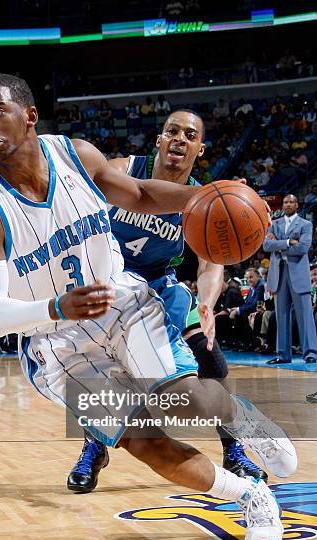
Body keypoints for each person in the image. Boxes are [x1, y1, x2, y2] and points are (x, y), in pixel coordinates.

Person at [0, 73, 297, 540]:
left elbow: (139, 195)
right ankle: (250, 493)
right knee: (144, 440)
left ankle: (248, 423)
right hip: (56, 344)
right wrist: (55, 306)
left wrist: (203, 196)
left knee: (185, 397)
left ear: (29, 116)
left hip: (121, 300)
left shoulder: (77, 155)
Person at [68, 110, 266, 494]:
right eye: (172, 131)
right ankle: (94, 445)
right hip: (108, 288)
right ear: (159, 139)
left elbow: (211, 265)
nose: (179, 138)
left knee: (212, 360)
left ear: (200, 149)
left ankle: (234, 448)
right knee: (97, 373)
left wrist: (207, 303)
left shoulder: (202, 199)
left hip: (160, 288)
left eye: (189, 135)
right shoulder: (125, 168)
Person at [263, 194, 317, 364]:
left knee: (305, 316)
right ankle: (282, 354)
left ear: (297, 205)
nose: (288, 204)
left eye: (292, 201)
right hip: (279, 274)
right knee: (281, 315)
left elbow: (302, 248)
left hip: (298, 274)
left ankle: (311, 353)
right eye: (285, 202)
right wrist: (287, 242)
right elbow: (266, 245)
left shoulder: (306, 224)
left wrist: (278, 245)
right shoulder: (273, 224)